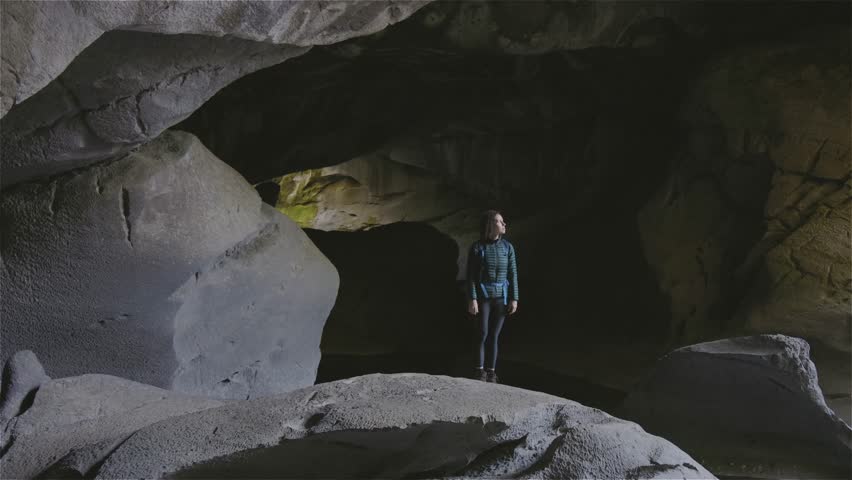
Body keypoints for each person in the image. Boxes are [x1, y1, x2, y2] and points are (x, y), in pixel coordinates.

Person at [466, 210, 518, 383]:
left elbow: (513, 274)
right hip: (483, 298)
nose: (503, 224)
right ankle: (479, 371)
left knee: (494, 335)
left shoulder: (507, 247)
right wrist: (472, 299)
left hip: (501, 298)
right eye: (499, 221)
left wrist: (514, 298)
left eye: (503, 221)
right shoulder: (477, 247)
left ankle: (491, 372)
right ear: (490, 225)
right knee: (482, 333)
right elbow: (471, 275)